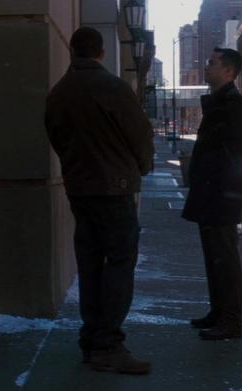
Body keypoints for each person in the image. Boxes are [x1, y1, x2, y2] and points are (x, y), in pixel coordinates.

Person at [44, 26, 154, 375]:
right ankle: (109, 344)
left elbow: (56, 137)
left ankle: (92, 340)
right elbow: (140, 135)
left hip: (80, 188)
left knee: (90, 265)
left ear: (73, 52)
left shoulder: (59, 93)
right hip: (114, 188)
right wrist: (140, 167)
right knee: (120, 262)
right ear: (101, 53)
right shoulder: (113, 88)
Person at [181, 48, 242, 340]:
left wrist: (211, 183)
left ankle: (231, 320)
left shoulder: (232, 106)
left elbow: (228, 157)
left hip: (221, 194)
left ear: (228, 71)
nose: (206, 67)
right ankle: (218, 311)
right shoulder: (221, 104)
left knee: (225, 258)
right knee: (213, 257)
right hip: (212, 192)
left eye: (212, 63)